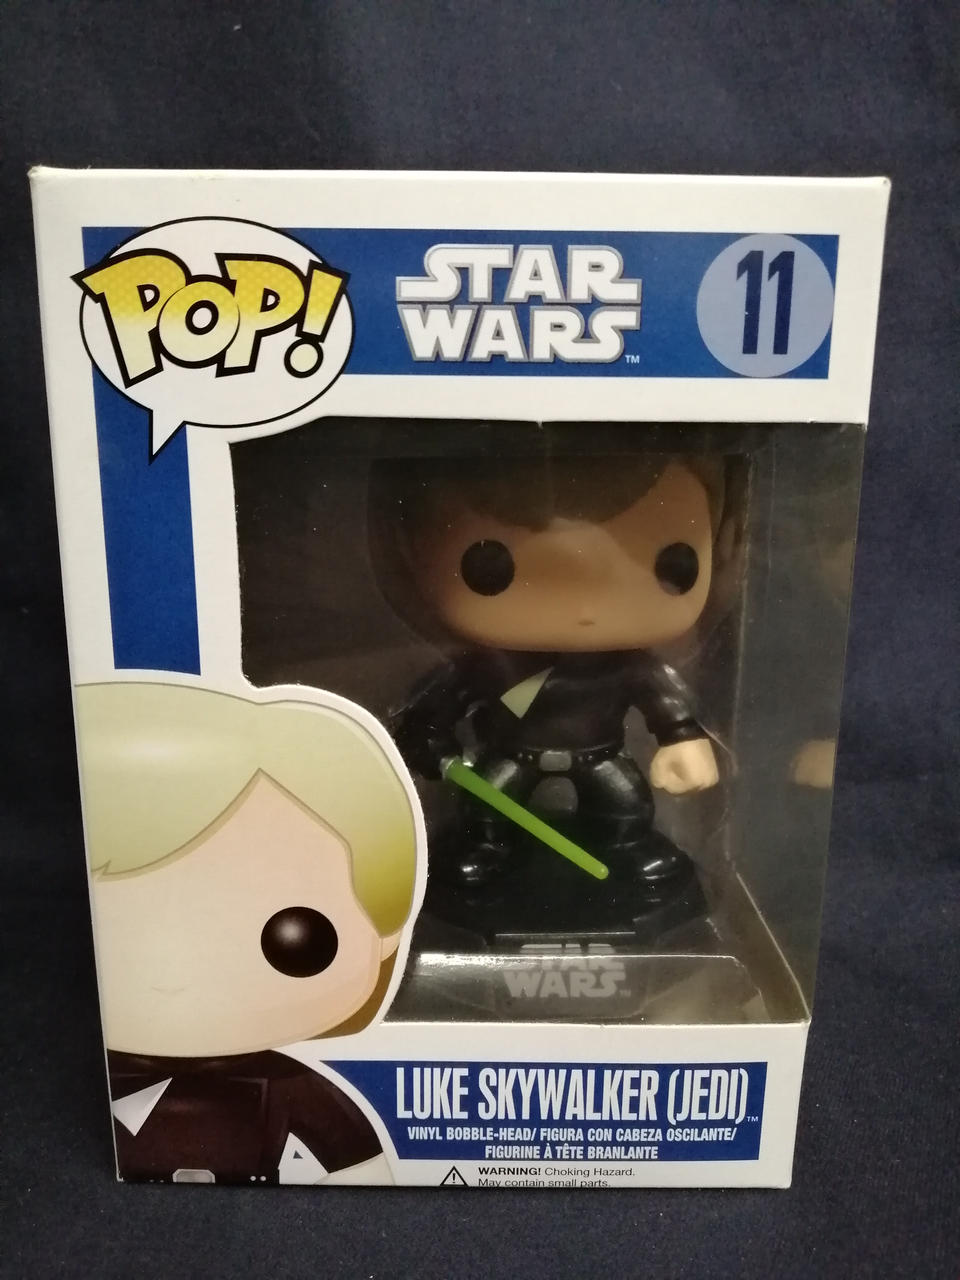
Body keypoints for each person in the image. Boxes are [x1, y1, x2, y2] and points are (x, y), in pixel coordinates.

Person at [77, 681, 419, 1184]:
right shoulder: (91, 1079)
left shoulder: (291, 1086)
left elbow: (364, 1167)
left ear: (385, 934)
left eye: (292, 938)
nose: (175, 977)